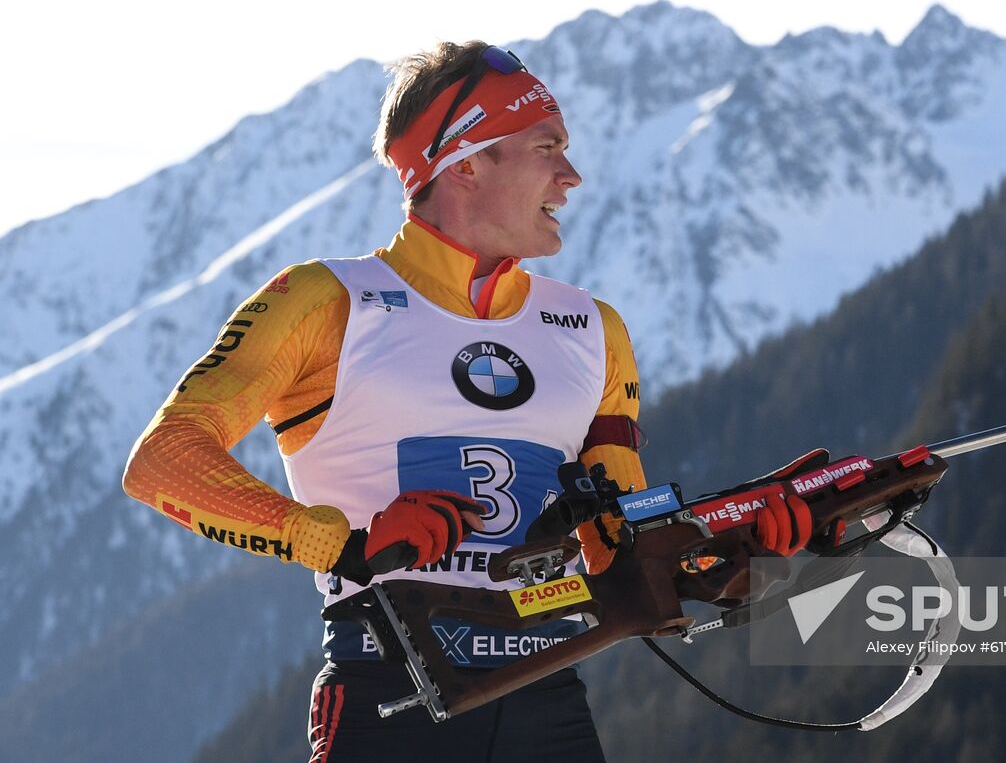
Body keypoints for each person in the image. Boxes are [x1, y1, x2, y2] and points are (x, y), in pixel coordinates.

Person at [122, 41, 650, 761]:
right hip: (391, 693)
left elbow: (626, 543)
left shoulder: (594, 328)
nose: (572, 175)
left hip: (548, 702)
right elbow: (161, 462)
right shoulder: (326, 301)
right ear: (466, 162)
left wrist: (758, 532)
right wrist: (345, 543)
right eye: (547, 147)